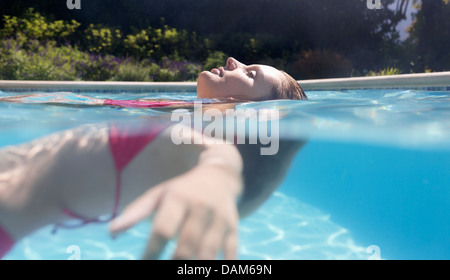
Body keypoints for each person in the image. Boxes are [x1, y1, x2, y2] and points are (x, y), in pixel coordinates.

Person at [0, 57, 307, 260]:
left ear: (257, 116)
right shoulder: (178, 118)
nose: (233, 61)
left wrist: (219, 180)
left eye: (250, 74)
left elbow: (220, 163)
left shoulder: (203, 142)